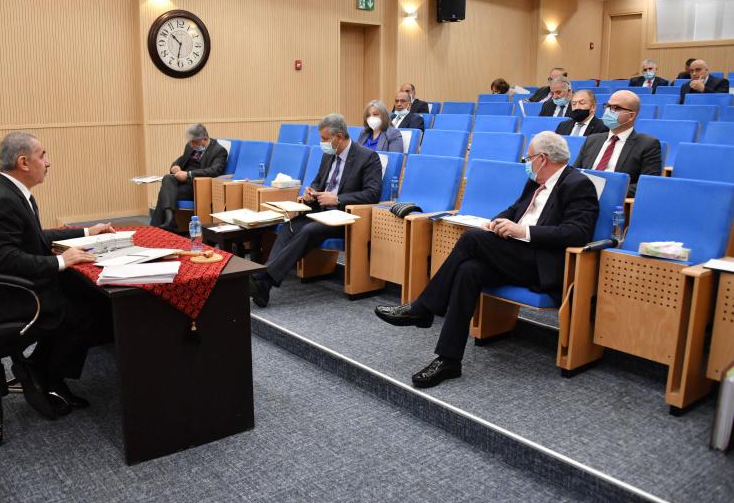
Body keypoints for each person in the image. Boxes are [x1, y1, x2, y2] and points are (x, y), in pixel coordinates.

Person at [374, 132, 598, 389]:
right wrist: (495, 222)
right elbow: (514, 209)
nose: (526, 162)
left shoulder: (578, 184)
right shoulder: (536, 181)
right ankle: (449, 360)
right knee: (469, 270)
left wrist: (522, 231)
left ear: (543, 159)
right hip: (514, 255)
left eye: (528, 158)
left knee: (472, 239)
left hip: (540, 264)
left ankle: (422, 309)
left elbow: (577, 233)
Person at [0, 132, 116, 419]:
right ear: (23, 162)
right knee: (87, 309)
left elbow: (35, 237)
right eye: (42, 156)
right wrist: (61, 260)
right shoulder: (2, 202)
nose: (48, 163)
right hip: (4, 298)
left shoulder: (10, 193)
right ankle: (47, 376)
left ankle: (41, 368)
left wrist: (87, 231)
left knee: (83, 295)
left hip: (10, 288)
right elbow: (6, 260)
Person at [249, 114, 382, 308]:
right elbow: (318, 182)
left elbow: (372, 194)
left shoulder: (367, 157)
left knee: (309, 230)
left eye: (325, 139)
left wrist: (337, 199)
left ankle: (264, 278)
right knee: (289, 226)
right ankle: (264, 284)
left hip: (344, 218)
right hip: (320, 211)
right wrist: (310, 192)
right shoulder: (328, 155)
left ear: (339, 136)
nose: (322, 143)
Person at [573, 90, 661, 197]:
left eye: (615, 108)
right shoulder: (592, 140)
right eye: (607, 106)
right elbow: (574, 173)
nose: (608, 111)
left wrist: (606, 190)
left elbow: (648, 185)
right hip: (581, 198)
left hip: (615, 200)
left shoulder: (648, 145)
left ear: (631, 116)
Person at [150, 123, 228, 229]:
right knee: (167, 178)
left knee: (165, 193)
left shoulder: (219, 151)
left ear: (205, 139)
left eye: (195, 142)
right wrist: (175, 166)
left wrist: (189, 174)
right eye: (190, 141)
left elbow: (214, 171)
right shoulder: (190, 146)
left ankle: (161, 224)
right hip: (182, 181)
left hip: (196, 185)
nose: (192, 144)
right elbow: (181, 159)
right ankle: (169, 219)